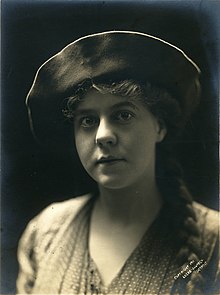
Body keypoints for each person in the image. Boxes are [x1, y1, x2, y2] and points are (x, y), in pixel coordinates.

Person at [16, 31, 219, 295]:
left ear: (159, 126)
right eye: (87, 121)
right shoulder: (44, 233)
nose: (103, 136)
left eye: (123, 115)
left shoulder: (212, 242)